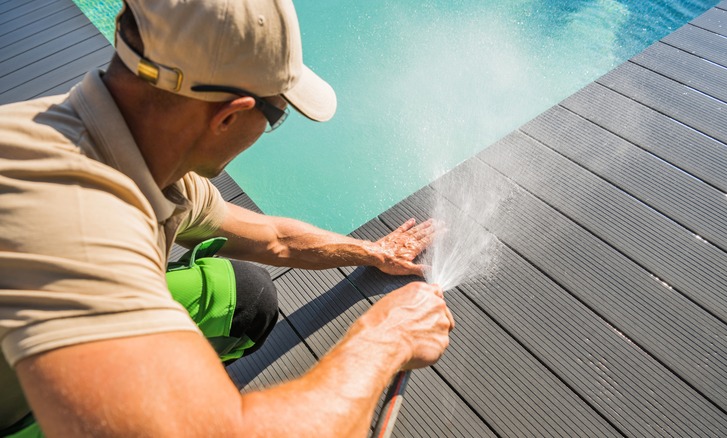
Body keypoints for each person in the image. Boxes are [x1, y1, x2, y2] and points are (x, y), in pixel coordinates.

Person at [0, 0, 454, 436]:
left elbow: (274, 238)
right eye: (276, 114)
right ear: (229, 116)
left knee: (245, 297)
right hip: (14, 412)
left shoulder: (118, 147)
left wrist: (371, 252)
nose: (270, 128)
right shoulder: (76, 224)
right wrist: (388, 338)